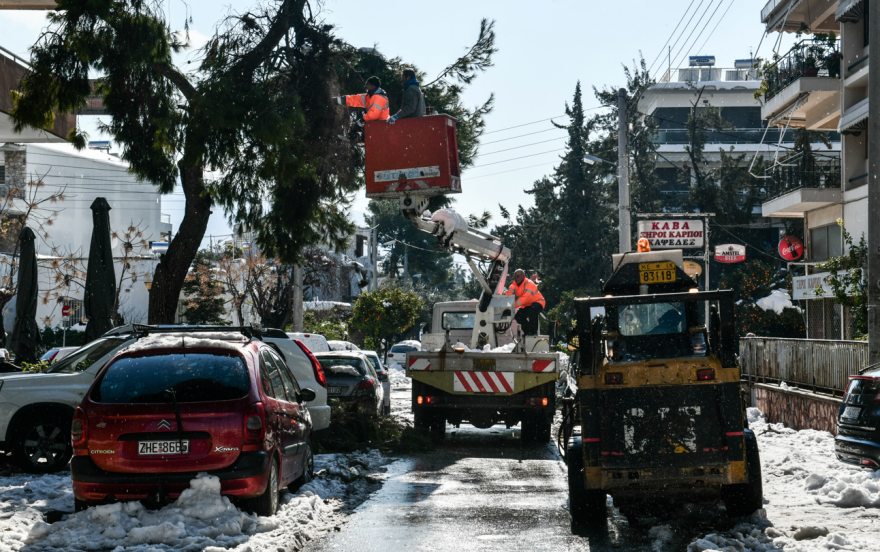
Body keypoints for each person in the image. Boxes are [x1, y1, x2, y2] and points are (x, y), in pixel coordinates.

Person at [332, 76, 390, 141]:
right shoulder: (369, 97)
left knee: (358, 125)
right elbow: (353, 99)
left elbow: (373, 115)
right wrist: (334, 100)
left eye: (367, 84)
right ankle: (358, 138)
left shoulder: (379, 97)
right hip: (375, 126)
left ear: (373, 85)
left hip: (381, 128)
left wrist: (359, 123)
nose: (365, 86)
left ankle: (359, 138)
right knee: (358, 125)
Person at [504, 269, 546, 336]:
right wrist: (505, 308)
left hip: (538, 302)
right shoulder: (513, 285)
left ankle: (533, 332)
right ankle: (528, 332)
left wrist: (511, 307)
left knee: (533, 310)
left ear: (523, 276)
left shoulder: (529, 283)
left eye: (518, 276)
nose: (516, 278)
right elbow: (508, 296)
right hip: (527, 305)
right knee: (518, 316)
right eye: (515, 276)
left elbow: (525, 298)